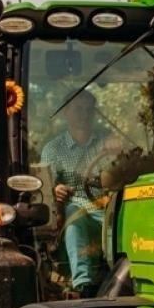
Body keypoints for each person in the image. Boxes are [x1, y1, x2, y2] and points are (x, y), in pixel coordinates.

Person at [41, 90, 121, 296]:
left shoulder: (106, 142)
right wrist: (55, 190)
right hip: (74, 210)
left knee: (126, 216)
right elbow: (45, 189)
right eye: (78, 109)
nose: (84, 114)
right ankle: (84, 284)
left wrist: (119, 149)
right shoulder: (53, 149)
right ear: (65, 112)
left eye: (88, 109)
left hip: (107, 208)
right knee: (74, 212)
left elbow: (124, 172)